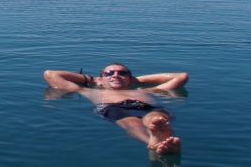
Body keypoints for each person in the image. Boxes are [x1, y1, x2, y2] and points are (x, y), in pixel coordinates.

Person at [43, 63, 187, 154]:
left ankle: (158, 133)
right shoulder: (89, 91)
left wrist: (137, 80)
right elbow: (51, 75)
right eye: (109, 73)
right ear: (100, 79)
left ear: (130, 78)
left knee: (156, 118)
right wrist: (92, 80)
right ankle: (152, 142)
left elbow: (181, 77)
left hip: (148, 106)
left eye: (122, 73)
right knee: (131, 123)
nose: (115, 75)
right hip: (113, 107)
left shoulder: (146, 91)